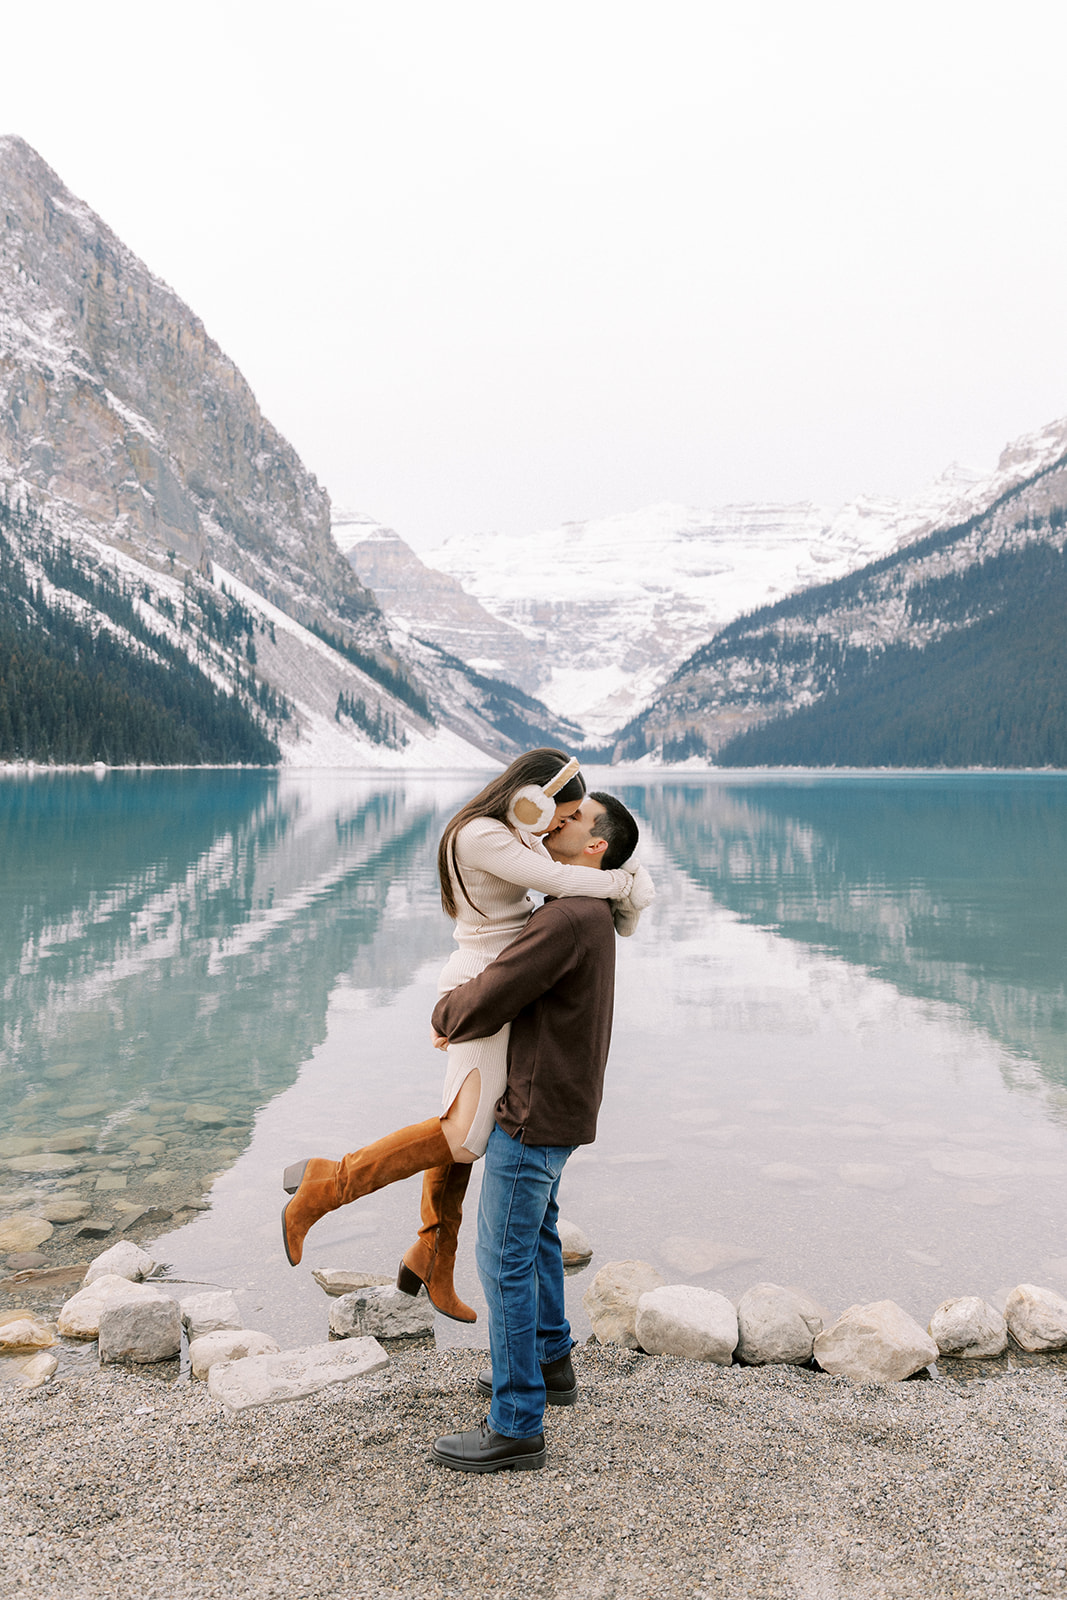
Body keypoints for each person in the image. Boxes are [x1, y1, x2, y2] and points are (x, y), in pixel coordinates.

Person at [280, 752, 653, 1324]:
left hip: (502, 981)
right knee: (463, 1136)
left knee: (466, 1122)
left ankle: (432, 1253)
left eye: (574, 816)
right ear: (534, 798)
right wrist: (625, 879)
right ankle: (329, 1183)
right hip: (483, 980)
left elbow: (596, 903)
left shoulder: (519, 832)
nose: (559, 823)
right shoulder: (482, 835)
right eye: (565, 811)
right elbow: (561, 882)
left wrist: (624, 881)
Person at [428, 790, 640, 1472]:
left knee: (502, 1259)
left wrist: (444, 1012)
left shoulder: (564, 918)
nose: (556, 820)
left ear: (593, 848)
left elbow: (490, 995)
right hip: (564, 1102)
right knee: (537, 1235)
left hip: (533, 1107)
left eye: (573, 819)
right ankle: (551, 1365)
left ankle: (516, 1422)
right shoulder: (589, 910)